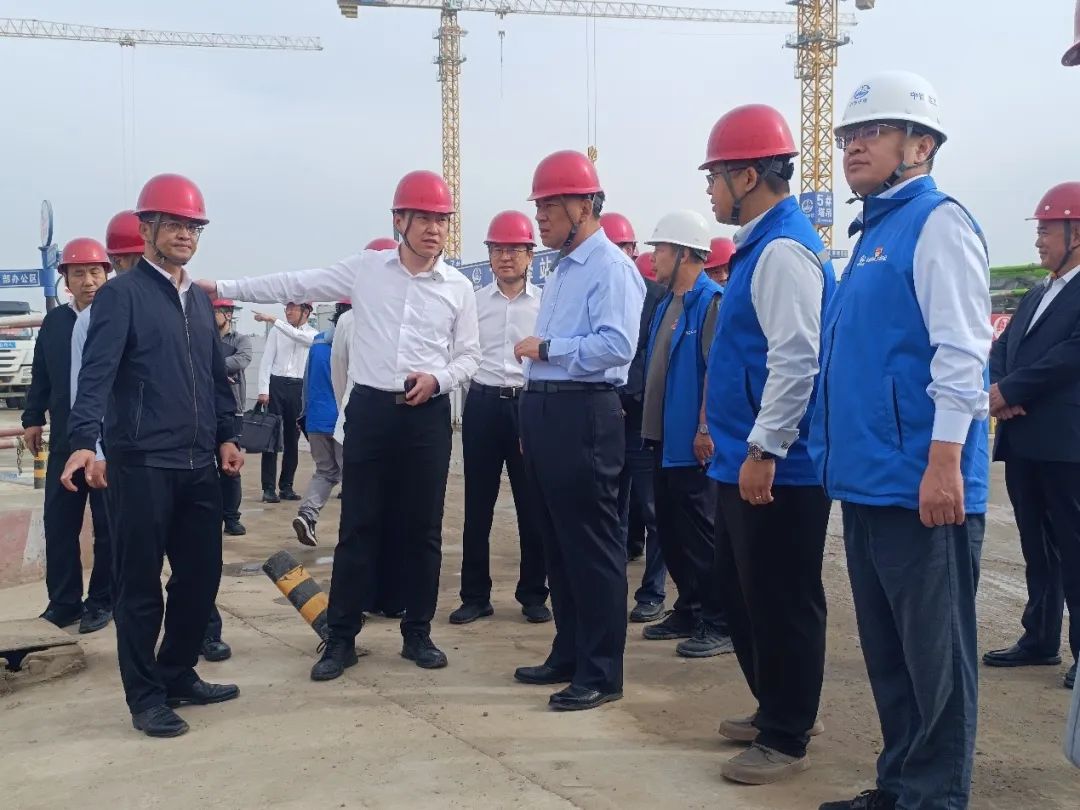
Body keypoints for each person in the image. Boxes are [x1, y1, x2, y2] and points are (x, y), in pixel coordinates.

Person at [200, 170, 481, 677]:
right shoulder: (367, 270)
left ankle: (417, 633)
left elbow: (469, 357)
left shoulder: (459, 288)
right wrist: (222, 287)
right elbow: (296, 283)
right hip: (371, 411)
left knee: (423, 530)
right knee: (358, 525)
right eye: (423, 218)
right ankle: (342, 638)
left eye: (442, 219)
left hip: (426, 416)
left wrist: (438, 379)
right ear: (399, 221)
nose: (434, 229)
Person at [811, 72, 991, 810]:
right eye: (848, 135)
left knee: (935, 661)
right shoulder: (873, 235)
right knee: (891, 659)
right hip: (869, 482)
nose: (853, 146)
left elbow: (962, 351)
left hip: (922, 485)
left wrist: (945, 461)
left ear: (920, 146)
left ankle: (935, 797)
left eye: (872, 132)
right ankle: (900, 788)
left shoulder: (937, 223)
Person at [64, 173, 243, 738]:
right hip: (141, 465)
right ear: (147, 229)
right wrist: (82, 442)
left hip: (197, 465)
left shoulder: (199, 301)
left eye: (194, 226)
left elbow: (215, 378)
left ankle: (177, 673)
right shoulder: (122, 295)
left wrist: (228, 434)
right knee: (139, 587)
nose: (186, 234)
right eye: (175, 224)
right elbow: (96, 376)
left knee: (201, 578)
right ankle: (144, 697)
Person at [700, 104, 835, 784]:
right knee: (745, 593)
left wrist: (765, 450)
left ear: (748, 176)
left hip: (781, 467)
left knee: (782, 598)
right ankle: (774, 705)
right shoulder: (759, 246)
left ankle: (787, 733)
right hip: (743, 459)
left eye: (715, 176)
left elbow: (797, 359)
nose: (710, 190)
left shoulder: (782, 250)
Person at [511, 150, 645, 712]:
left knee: (592, 545)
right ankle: (568, 652)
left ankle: (601, 671)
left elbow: (617, 346)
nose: (540, 217)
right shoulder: (562, 269)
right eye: (539, 206)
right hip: (547, 412)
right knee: (558, 542)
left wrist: (548, 348)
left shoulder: (610, 267)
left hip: (585, 413)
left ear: (584, 206)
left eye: (551, 206)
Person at [982, 181, 1080, 692]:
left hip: (1066, 443)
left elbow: (1069, 356)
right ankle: (1040, 637)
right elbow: (1004, 348)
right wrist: (1001, 388)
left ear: (1076, 233)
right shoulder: (1038, 293)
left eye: (1046, 229)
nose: (1039, 239)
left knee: (1074, 547)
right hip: (1024, 438)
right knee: (1037, 548)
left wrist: (1011, 390)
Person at [449, 211, 550, 626]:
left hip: (528, 406)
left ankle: (533, 594)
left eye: (514, 249)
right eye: (497, 249)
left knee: (532, 505)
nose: (505, 257)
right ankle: (475, 596)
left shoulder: (545, 303)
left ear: (530, 255)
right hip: (483, 403)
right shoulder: (473, 302)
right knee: (478, 506)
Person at [639, 210, 732, 659]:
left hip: (692, 443)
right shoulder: (667, 303)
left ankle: (721, 620)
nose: (653, 257)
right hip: (662, 438)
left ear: (683, 253)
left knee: (700, 535)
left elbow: (717, 369)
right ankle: (690, 608)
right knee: (672, 532)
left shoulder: (710, 302)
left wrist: (704, 427)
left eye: (660, 248)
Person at [22, 238, 112, 634]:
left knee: (108, 528)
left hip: (108, 444)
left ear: (107, 274)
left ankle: (103, 600)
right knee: (59, 525)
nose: (88, 281)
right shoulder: (56, 322)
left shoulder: (117, 317)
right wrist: (32, 418)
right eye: (79, 273)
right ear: (66, 280)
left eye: (95, 272)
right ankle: (64, 603)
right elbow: (41, 372)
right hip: (65, 440)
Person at [329, 245, 406, 617]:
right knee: (361, 518)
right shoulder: (349, 320)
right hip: (359, 425)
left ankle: (390, 596)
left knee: (397, 516)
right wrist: (351, 410)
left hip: (402, 429)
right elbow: (339, 372)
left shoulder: (405, 312)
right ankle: (359, 598)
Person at [616, 221, 667, 623]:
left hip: (641, 420)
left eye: (622, 247)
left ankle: (652, 592)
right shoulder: (593, 296)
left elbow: (653, 357)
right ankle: (609, 587)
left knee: (652, 509)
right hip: (603, 420)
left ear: (633, 250)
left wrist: (622, 392)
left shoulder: (657, 298)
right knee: (609, 508)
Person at [291, 300, 350, 547]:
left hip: (316, 419)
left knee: (326, 471)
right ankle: (355, 531)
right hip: (343, 421)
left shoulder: (317, 343)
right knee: (354, 476)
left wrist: (304, 416)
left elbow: (306, 384)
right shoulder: (354, 342)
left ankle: (307, 515)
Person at [256, 302, 317, 503]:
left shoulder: (314, 335)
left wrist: (273, 320)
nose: (288, 312)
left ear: (306, 312)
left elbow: (299, 337)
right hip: (277, 384)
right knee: (271, 438)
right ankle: (268, 488)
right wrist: (263, 389)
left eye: (293, 308)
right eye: (287, 308)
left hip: (298, 388)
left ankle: (286, 486)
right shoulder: (277, 331)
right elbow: (266, 360)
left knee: (292, 438)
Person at [212, 299, 252, 537]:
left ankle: (231, 518)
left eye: (215, 311)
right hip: (205, 409)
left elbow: (242, 360)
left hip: (232, 410)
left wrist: (211, 367)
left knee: (230, 466)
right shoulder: (202, 337)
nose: (211, 315)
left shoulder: (240, 340)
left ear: (227, 315)